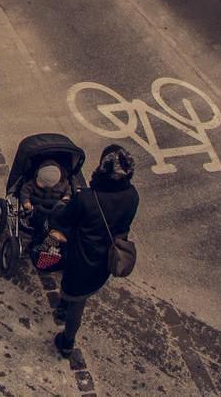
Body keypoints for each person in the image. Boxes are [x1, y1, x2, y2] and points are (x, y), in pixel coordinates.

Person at [47, 144, 139, 357]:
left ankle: (67, 341)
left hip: (81, 256)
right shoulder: (132, 196)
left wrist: (60, 206)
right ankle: (63, 306)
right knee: (81, 293)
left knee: (77, 299)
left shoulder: (88, 198)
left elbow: (62, 219)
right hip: (103, 260)